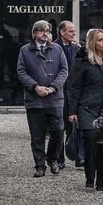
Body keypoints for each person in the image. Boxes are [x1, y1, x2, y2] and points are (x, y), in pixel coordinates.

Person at [17, 20, 68, 177]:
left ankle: (52, 158)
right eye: (41, 31)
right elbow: (21, 72)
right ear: (34, 34)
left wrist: (53, 87)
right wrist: (35, 87)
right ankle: (39, 165)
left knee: (58, 131)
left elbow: (64, 70)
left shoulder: (57, 49)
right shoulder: (25, 50)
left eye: (47, 30)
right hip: (34, 100)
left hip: (55, 98)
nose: (45, 33)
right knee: (37, 134)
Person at [68, 29, 103, 191]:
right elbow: (76, 88)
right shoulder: (84, 63)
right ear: (92, 42)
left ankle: (101, 182)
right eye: (100, 40)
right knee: (90, 143)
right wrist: (72, 111)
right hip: (87, 108)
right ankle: (90, 179)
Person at [54, 20, 83, 169]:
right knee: (59, 128)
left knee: (76, 127)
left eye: (74, 31)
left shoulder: (78, 49)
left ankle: (79, 157)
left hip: (74, 93)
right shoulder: (52, 48)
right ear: (62, 32)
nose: (73, 34)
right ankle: (59, 159)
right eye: (70, 31)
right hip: (59, 93)